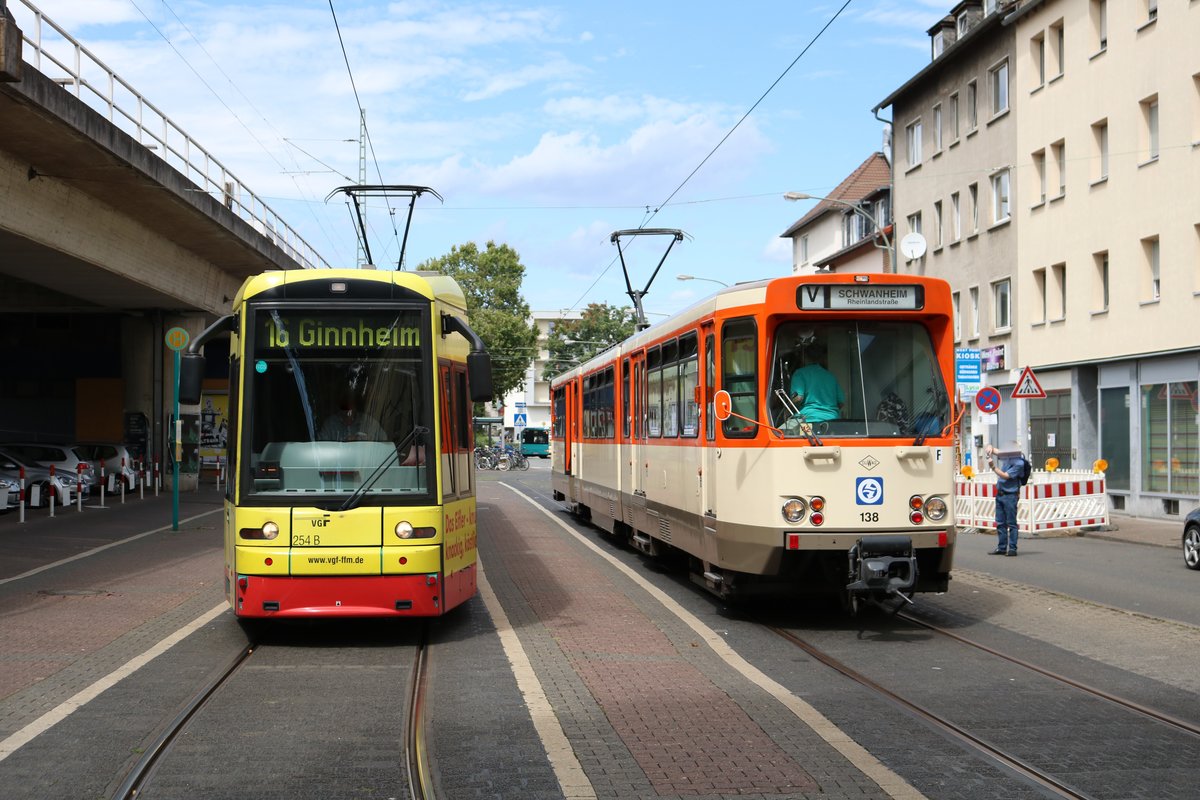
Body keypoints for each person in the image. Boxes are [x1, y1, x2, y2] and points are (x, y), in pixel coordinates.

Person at [987, 440, 1027, 556]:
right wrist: (990, 447)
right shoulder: (1008, 456)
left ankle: (1012, 548)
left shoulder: (1019, 463)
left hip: (1010, 495)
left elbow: (1006, 476)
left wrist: (993, 467)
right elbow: (994, 450)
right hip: (1000, 494)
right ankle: (1002, 547)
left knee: (1011, 523)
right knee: (1000, 522)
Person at [789, 341, 844, 423]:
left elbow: (798, 398)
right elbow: (841, 402)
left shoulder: (800, 373)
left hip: (808, 420)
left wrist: (788, 405)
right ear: (821, 358)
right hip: (832, 421)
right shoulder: (830, 376)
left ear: (804, 357)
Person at [318, 388, 387, 442]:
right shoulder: (330, 424)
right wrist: (344, 443)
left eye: (351, 403)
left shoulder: (368, 422)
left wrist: (369, 441)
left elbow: (384, 441)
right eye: (345, 403)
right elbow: (321, 447)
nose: (348, 407)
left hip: (365, 459)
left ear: (356, 404)